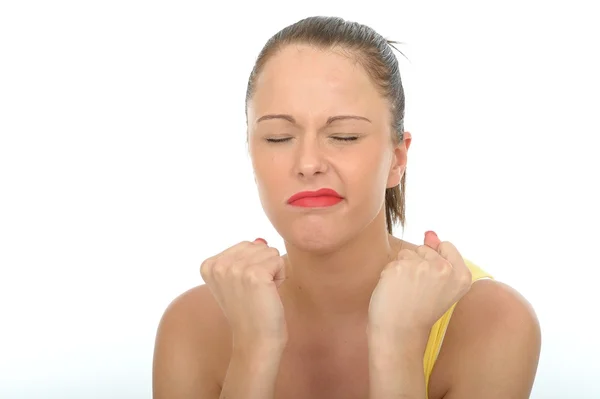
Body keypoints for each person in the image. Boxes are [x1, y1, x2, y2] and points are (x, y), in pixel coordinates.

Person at [152, 16, 541, 399]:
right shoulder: (191, 326)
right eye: (278, 138)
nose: (307, 163)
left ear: (397, 160)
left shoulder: (493, 322)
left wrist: (397, 348)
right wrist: (254, 352)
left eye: (344, 135)